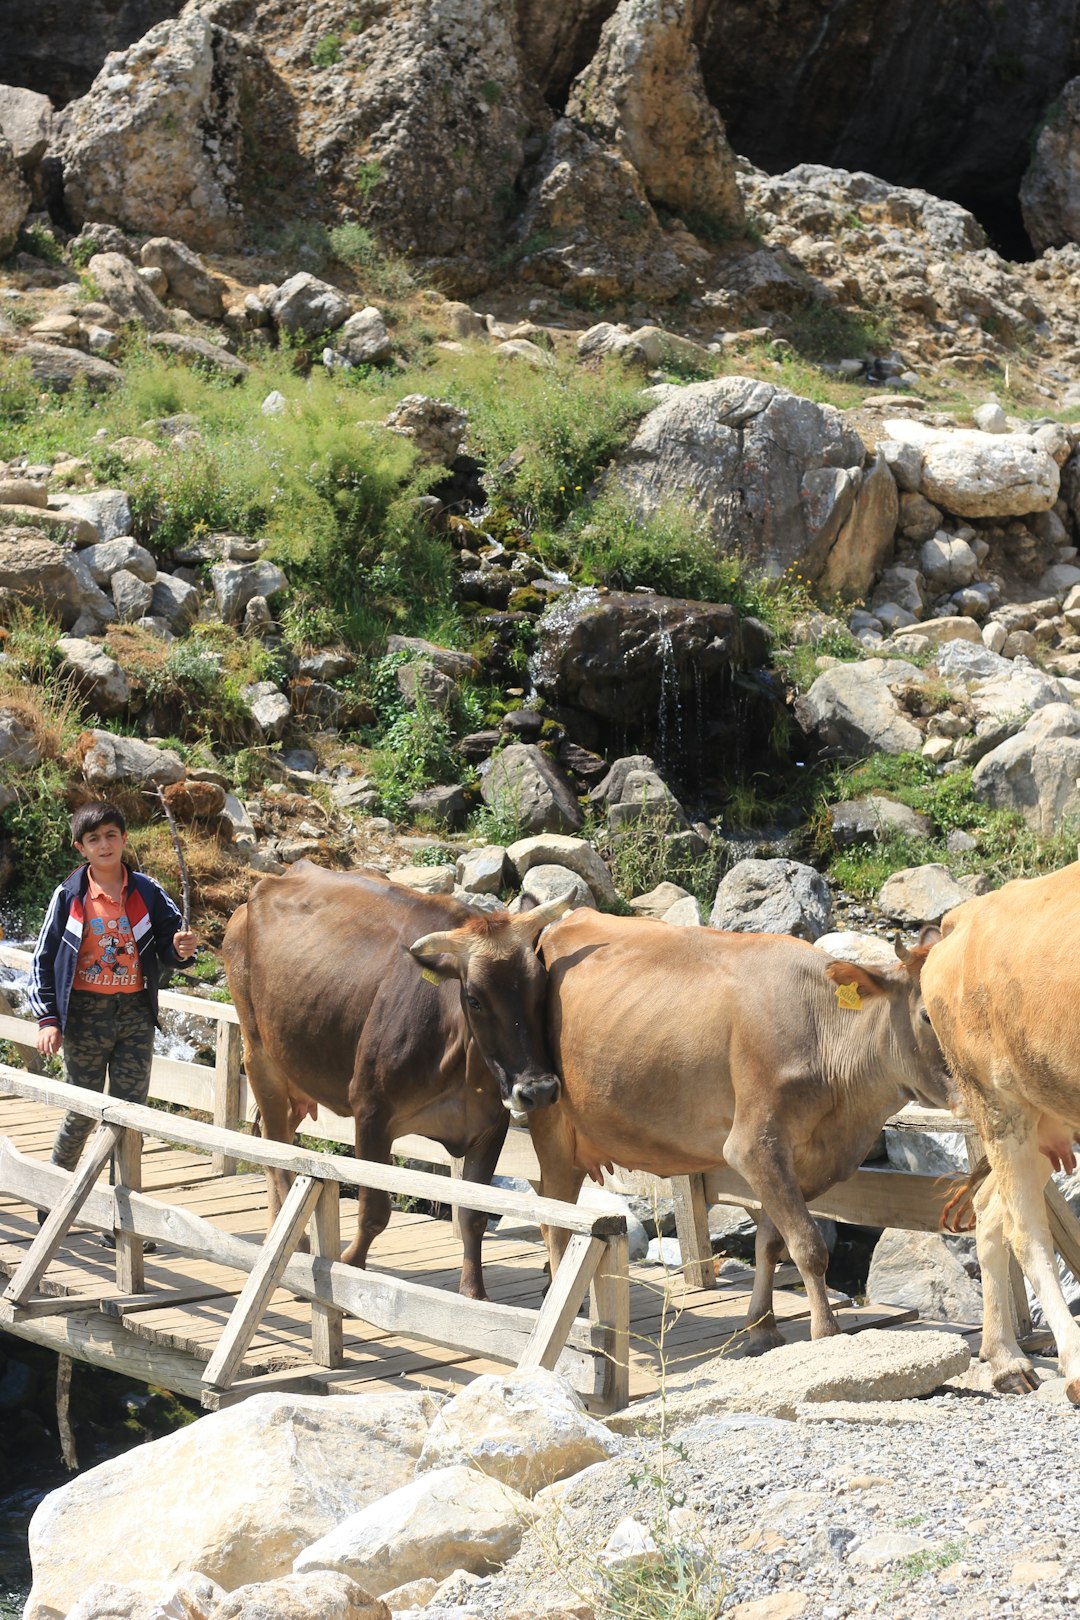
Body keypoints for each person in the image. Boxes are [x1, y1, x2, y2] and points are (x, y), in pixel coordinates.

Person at [28, 801, 198, 1235]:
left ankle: (120, 1224)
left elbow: (167, 948)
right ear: (80, 847)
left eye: (111, 835)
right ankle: (52, 1199)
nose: (104, 844)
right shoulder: (70, 896)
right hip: (84, 1016)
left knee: (129, 1118)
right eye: (93, 838)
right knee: (82, 1111)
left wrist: (181, 949)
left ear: (124, 839)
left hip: (135, 1015)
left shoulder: (146, 891)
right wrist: (48, 1019)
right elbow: (43, 960)